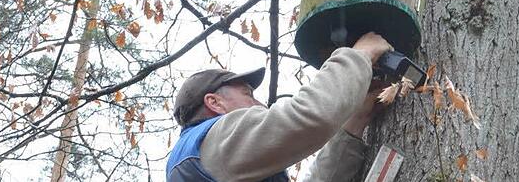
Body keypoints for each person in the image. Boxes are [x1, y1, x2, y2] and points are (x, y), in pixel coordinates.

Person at [166, 32, 393, 182]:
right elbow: (311, 114)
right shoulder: (214, 141)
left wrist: (353, 122)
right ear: (215, 103)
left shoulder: (204, 163)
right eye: (248, 95)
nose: (258, 104)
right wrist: (360, 55)